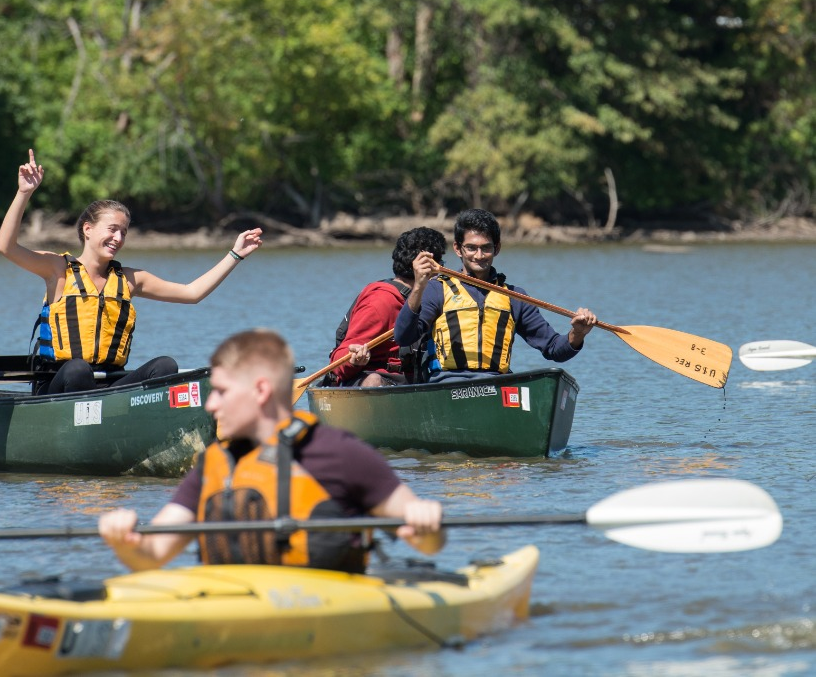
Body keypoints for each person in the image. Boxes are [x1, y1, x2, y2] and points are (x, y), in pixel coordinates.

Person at [98, 329, 444, 572]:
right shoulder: (214, 465)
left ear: (260, 390)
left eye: (221, 391)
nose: (211, 403)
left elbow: (429, 544)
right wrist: (124, 541)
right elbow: (153, 553)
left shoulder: (342, 455)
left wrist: (428, 527)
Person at [0, 150, 263, 395]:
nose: (118, 237)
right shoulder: (58, 269)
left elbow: (192, 293)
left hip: (107, 385)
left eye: (123, 232)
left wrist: (235, 255)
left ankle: (131, 421)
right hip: (59, 386)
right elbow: (5, 246)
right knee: (78, 369)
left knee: (165, 366)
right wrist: (24, 193)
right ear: (87, 229)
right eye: (111, 229)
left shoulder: (130, 280)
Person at [395, 208, 598, 382]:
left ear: (497, 248)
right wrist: (419, 286)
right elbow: (404, 337)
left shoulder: (514, 297)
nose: (479, 255)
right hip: (448, 384)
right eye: (471, 248)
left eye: (486, 248)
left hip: (496, 384)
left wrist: (577, 334)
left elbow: (554, 348)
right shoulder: (436, 289)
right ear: (458, 249)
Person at [326, 226, 448, 387]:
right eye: (441, 264)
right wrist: (354, 360)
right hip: (380, 382)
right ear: (428, 265)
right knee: (374, 382)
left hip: (415, 379)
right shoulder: (381, 302)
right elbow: (338, 360)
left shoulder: (433, 296)